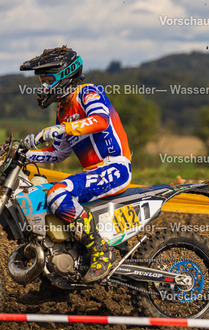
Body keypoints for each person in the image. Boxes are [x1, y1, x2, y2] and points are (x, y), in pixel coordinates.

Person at [18, 46, 132, 303]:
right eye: (42, 81)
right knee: (42, 202)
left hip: (114, 167)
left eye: (48, 80)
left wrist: (62, 129)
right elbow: (58, 153)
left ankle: (101, 252)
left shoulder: (88, 92)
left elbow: (100, 120)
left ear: (65, 75)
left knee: (58, 194)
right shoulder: (63, 110)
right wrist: (25, 154)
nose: (44, 86)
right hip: (94, 171)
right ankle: (54, 280)